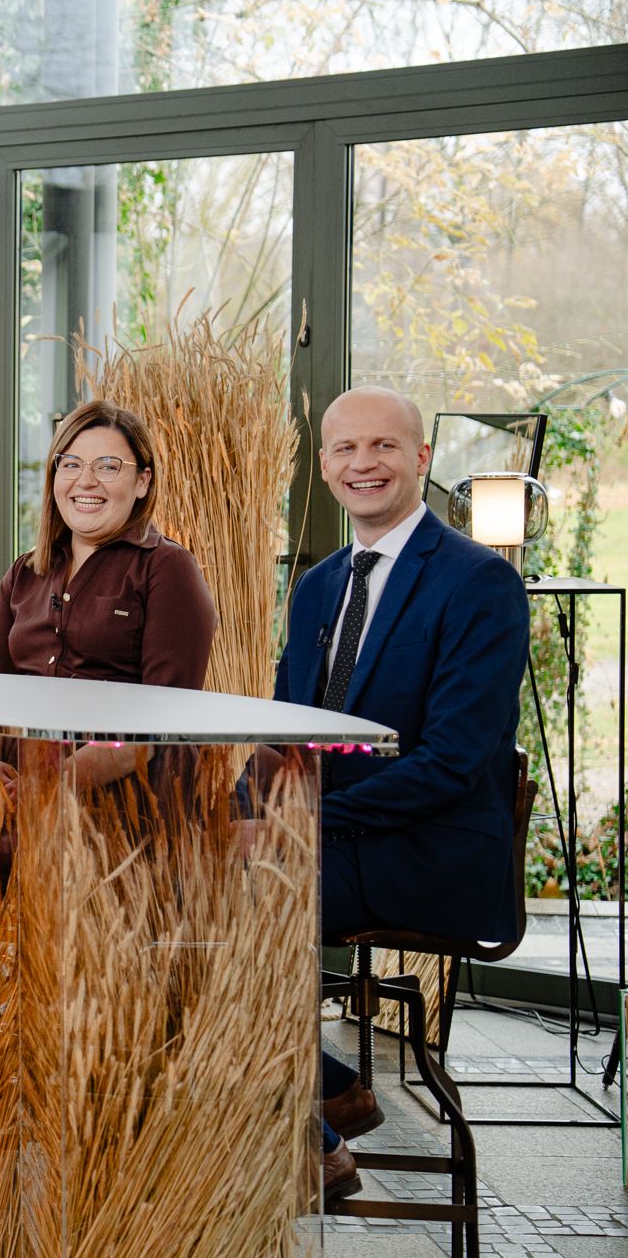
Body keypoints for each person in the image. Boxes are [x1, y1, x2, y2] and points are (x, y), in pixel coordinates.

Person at [272, 385, 527, 1204]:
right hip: (336, 841)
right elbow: (284, 736)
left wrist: (301, 822)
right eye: (346, 449)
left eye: (384, 446)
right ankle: (327, 1092)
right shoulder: (317, 588)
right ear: (325, 467)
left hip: (433, 851)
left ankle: (316, 1135)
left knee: (235, 901)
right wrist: (251, 812)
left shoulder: (479, 583)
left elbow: (452, 762)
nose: (363, 463)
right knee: (184, 885)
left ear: (421, 459)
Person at [0, 400, 216, 802]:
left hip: (120, 810)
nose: (85, 481)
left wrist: (53, 786)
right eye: (70, 465)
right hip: (11, 797)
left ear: (143, 482)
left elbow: (159, 720)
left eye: (107, 466)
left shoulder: (168, 569)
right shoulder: (25, 572)